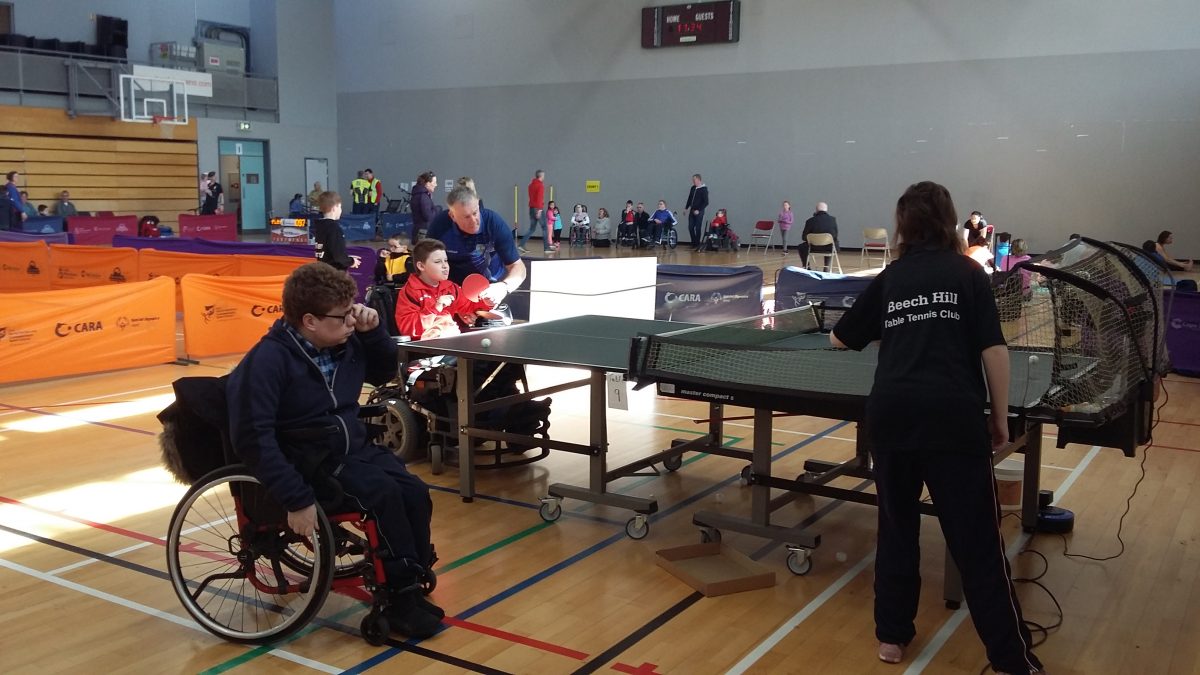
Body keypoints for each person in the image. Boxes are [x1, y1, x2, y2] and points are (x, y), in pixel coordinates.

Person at [830, 180, 1044, 675]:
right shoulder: (968, 273)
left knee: (897, 529)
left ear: (904, 225)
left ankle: (891, 636)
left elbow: (842, 339)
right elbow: (993, 350)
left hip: (893, 418)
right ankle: (1012, 660)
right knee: (978, 545)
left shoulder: (893, 276)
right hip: (952, 420)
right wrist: (999, 416)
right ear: (949, 222)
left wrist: (896, 328)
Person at [226, 262, 443, 639]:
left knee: (415, 491)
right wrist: (295, 498)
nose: (351, 321)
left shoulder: (345, 343)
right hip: (308, 461)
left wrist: (374, 332)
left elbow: (383, 372)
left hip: (350, 448)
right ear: (309, 320)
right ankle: (398, 596)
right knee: (384, 496)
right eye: (343, 317)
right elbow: (253, 438)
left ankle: (412, 574)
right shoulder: (268, 361)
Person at [425, 183, 527, 307]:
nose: (474, 221)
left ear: (478, 205)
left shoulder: (494, 223)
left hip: (487, 285)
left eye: (475, 213)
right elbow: (426, 268)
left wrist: (503, 287)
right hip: (451, 289)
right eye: (466, 217)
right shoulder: (439, 226)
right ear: (452, 216)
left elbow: (518, 267)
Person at [394, 239, 496, 340]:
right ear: (421, 266)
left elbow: (469, 306)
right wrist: (436, 307)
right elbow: (408, 329)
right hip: (423, 350)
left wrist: (486, 302)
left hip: (449, 343)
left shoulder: (451, 287)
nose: (445, 266)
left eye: (446, 261)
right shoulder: (409, 292)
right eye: (438, 262)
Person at [312, 191, 357, 271]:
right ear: (334, 208)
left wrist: (347, 258)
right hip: (334, 274)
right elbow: (338, 257)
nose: (341, 210)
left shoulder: (320, 227)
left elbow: (330, 251)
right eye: (340, 207)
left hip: (323, 271)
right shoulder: (334, 229)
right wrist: (351, 261)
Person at [799, 201, 839, 271]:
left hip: (813, 247)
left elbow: (804, 237)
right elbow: (835, 236)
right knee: (832, 243)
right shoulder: (832, 220)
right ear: (826, 210)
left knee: (801, 247)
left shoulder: (810, 221)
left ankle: (807, 267)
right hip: (829, 248)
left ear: (816, 210)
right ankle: (826, 267)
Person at [519, 169, 546, 253]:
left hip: (531, 208)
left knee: (532, 228)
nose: (544, 177)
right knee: (544, 227)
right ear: (541, 176)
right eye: (544, 175)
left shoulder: (530, 185)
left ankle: (521, 244)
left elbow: (532, 197)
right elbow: (539, 198)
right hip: (537, 208)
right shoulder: (540, 185)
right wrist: (539, 210)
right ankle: (547, 248)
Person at [411, 170, 438, 240]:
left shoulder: (417, 194)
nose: (436, 185)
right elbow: (428, 216)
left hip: (418, 230)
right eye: (434, 183)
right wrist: (437, 210)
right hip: (424, 232)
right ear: (428, 184)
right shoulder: (423, 197)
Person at [685, 173, 709, 251]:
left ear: (698, 180)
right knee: (690, 227)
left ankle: (697, 244)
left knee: (698, 227)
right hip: (692, 210)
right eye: (693, 180)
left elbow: (706, 202)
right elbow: (689, 198)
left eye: (694, 180)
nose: (693, 181)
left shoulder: (704, 189)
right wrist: (686, 208)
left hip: (699, 211)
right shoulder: (693, 188)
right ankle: (693, 242)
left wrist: (698, 210)